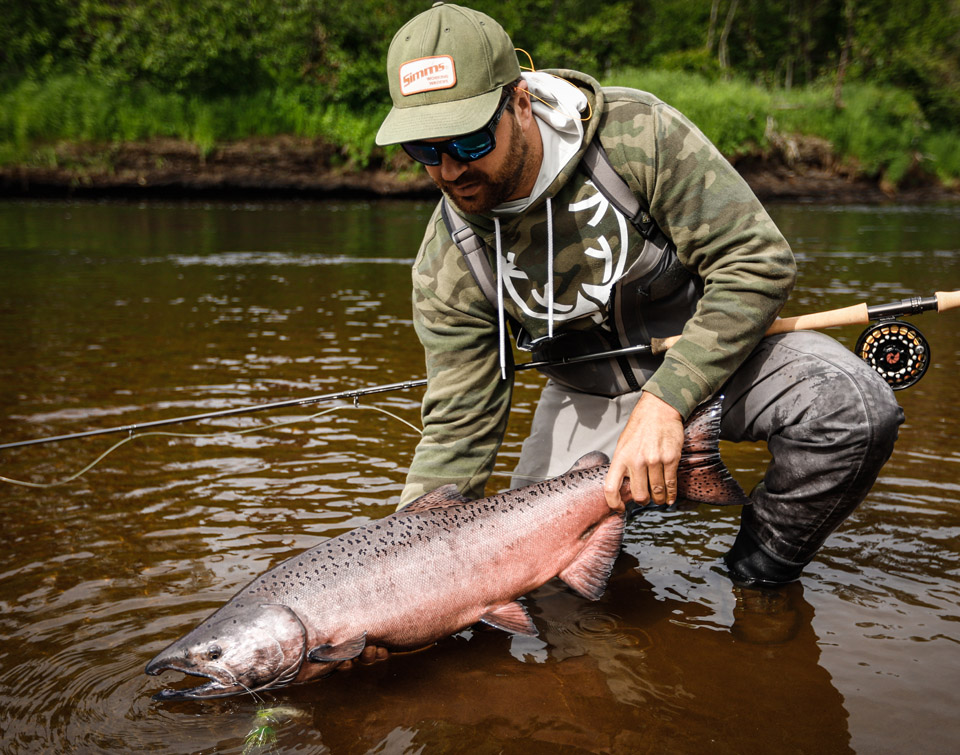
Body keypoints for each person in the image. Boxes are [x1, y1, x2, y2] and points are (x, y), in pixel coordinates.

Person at [374, 2, 903, 586]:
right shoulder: (446, 261)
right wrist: (403, 576)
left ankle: (760, 574)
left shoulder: (637, 135)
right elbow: (459, 425)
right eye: (425, 150)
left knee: (853, 407)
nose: (449, 170)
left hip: (716, 357)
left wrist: (668, 399)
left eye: (470, 141)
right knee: (543, 588)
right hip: (588, 394)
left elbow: (756, 262)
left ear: (520, 102)